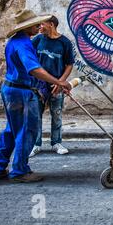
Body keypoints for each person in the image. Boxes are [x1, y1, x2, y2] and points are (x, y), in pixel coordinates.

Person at [0, 10, 72, 184]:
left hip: (11, 89)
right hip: (22, 92)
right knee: (27, 131)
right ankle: (19, 170)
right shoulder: (25, 44)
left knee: (11, 129)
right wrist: (59, 82)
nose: (38, 27)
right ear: (27, 27)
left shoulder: (15, 41)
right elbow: (34, 70)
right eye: (36, 24)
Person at [29, 15, 75, 157]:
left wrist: (60, 82)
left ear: (51, 24)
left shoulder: (65, 43)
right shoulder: (37, 40)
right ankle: (35, 145)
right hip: (38, 86)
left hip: (57, 85)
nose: (39, 28)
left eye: (41, 25)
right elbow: (30, 60)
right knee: (36, 115)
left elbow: (69, 65)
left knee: (56, 114)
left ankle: (56, 142)